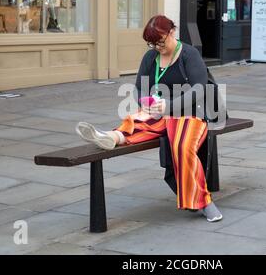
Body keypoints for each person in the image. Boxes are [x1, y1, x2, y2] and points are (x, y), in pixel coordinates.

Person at [76, 15, 223, 223]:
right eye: (152, 43)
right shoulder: (150, 57)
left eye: (160, 42)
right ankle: (110, 137)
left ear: (172, 32)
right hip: (160, 112)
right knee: (136, 119)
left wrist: (169, 106)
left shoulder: (189, 54)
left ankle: (204, 201)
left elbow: (199, 89)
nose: (157, 47)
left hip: (190, 113)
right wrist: (144, 102)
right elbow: (138, 88)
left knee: (182, 146)